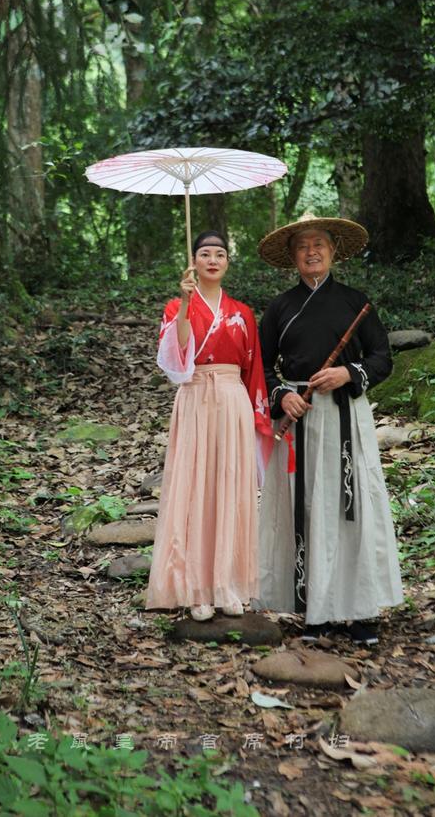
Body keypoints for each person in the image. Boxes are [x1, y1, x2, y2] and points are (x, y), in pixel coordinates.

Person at [256, 214, 403, 644]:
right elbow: (260, 367)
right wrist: (281, 394)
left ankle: (359, 612)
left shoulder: (357, 302)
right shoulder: (280, 309)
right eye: (302, 247)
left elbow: (382, 358)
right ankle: (315, 612)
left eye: (319, 244)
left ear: (333, 250)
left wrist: (348, 374)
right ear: (292, 258)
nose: (311, 252)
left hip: (345, 415)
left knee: (350, 507)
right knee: (308, 508)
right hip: (299, 419)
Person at [146, 231, 273, 622]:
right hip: (197, 395)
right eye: (205, 254)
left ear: (228, 262)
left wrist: (257, 415)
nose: (212, 259)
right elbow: (179, 353)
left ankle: (229, 584)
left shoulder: (243, 312)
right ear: (194, 261)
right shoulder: (176, 305)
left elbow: (253, 370)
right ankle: (196, 588)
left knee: (231, 487)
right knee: (195, 488)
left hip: (233, 397)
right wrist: (185, 303)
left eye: (220, 254)